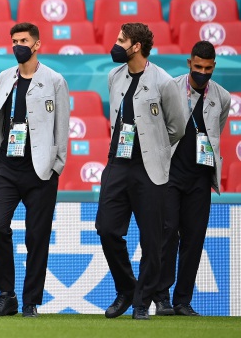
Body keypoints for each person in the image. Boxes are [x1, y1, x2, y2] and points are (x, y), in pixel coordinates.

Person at [0, 22, 70, 318]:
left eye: (24, 40)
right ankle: (7, 294)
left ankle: (30, 301)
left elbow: (62, 127)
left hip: (40, 168)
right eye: (14, 40)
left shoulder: (54, 80)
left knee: (37, 236)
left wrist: (56, 165)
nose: (18, 44)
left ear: (37, 44)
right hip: (6, 163)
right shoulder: (5, 77)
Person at [97, 23, 184, 320]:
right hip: (117, 163)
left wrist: (155, 149)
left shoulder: (164, 81)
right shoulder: (114, 76)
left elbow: (177, 127)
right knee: (106, 229)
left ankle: (141, 303)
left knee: (152, 239)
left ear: (136, 46)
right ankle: (127, 288)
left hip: (149, 169)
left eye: (122, 40)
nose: (116, 43)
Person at [153, 41, 230, 317]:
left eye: (208, 68)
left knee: (194, 240)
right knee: (167, 234)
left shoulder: (221, 97)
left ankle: (182, 300)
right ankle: (161, 298)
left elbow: (215, 131)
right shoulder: (170, 89)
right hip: (170, 175)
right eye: (198, 67)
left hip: (199, 177)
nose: (202, 72)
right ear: (189, 63)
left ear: (214, 67)